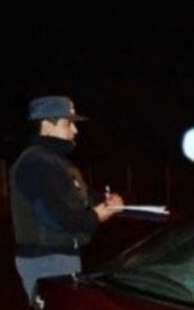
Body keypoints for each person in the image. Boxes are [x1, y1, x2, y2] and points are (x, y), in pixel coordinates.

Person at [10, 95, 124, 299]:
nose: (75, 130)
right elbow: (54, 216)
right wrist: (95, 217)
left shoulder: (57, 163)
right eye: (68, 123)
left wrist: (105, 201)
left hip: (59, 257)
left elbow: (78, 198)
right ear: (46, 126)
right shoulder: (36, 163)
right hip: (46, 260)